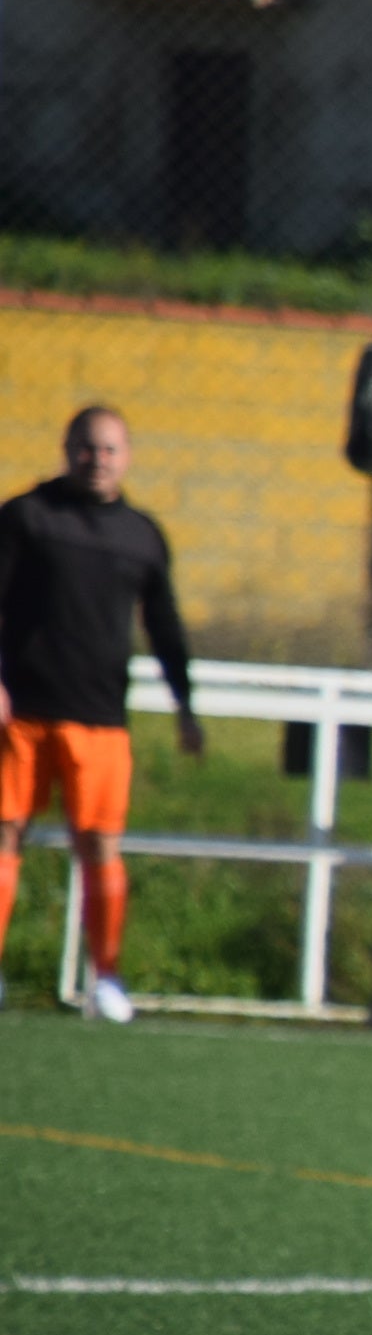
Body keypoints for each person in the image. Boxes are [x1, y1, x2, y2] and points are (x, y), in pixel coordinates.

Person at [0, 405, 208, 1020]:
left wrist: (184, 705)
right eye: (88, 448)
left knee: (100, 843)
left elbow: (164, 625)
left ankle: (107, 979)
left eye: (111, 449)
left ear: (128, 456)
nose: (99, 460)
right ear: (67, 449)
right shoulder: (26, 518)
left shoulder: (140, 534)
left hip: (101, 717)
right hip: (24, 714)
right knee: (6, 834)